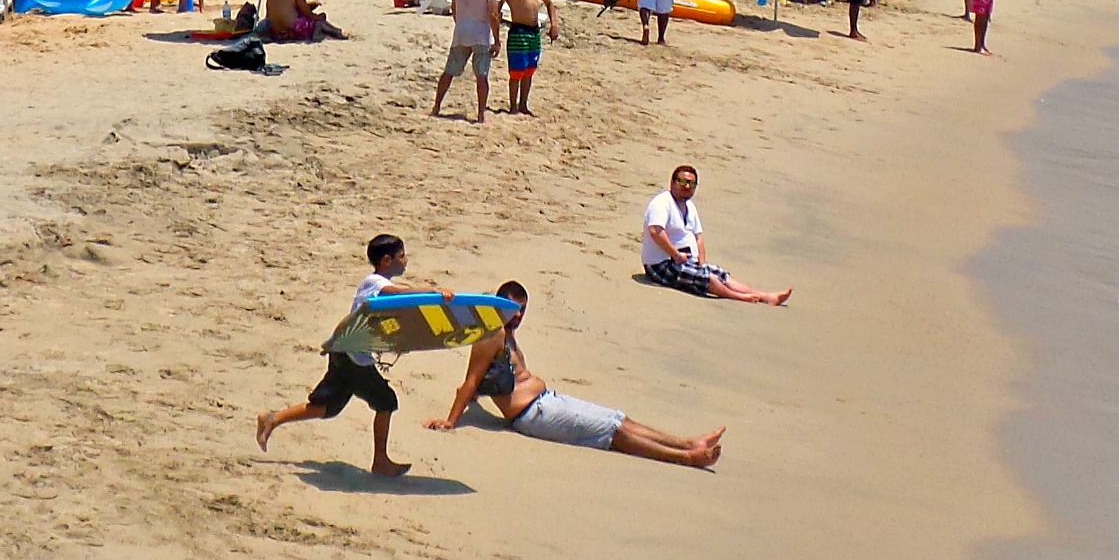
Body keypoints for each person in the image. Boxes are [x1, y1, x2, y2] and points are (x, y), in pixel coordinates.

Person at [425, 283, 722, 468]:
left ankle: (686, 443)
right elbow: (471, 381)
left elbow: (480, 382)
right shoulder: (492, 334)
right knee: (613, 433)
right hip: (533, 415)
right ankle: (685, 459)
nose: (518, 316)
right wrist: (451, 420)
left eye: (523, 310)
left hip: (547, 400)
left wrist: (474, 400)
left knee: (619, 419)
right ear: (501, 305)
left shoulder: (507, 334)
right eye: (514, 309)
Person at [256, 234, 446, 477]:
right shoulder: (374, 282)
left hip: (346, 353)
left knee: (328, 407)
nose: (406, 261)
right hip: (354, 358)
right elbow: (397, 293)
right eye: (402, 256)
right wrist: (434, 292)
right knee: (386, 401)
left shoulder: (378, 288)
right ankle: (380, 461)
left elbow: (382, 324)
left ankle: (273, 418)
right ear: (387, 260)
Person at [640, 166, 789, 305]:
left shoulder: (690, 207)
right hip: (660, 264)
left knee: (721, 274)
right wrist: (676, 254)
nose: (687, 186)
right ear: (672, 183)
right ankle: (739, 297)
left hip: (684, 261)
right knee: (707, 278)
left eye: (691, 184)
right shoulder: (662, 203)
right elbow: (655, 231)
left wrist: (702, 263)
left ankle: (765, 296)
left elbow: (698, 237)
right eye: (683, 182)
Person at [431, 0, 503, 123]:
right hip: (481, 33)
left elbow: (454, 8)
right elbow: (494, 14)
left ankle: (436, 106)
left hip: (462, 31)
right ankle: (480, 114)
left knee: (449, 72)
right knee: (481, 76)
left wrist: (461, 23)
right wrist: (497, 39)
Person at [501, 0, 554, 115]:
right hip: (518, 30)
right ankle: (513, 106)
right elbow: (495, 8)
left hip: (534, 31)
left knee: (529, 70)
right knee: (516, 71)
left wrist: (554, 25)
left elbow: (549, 3)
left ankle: (523, 104)